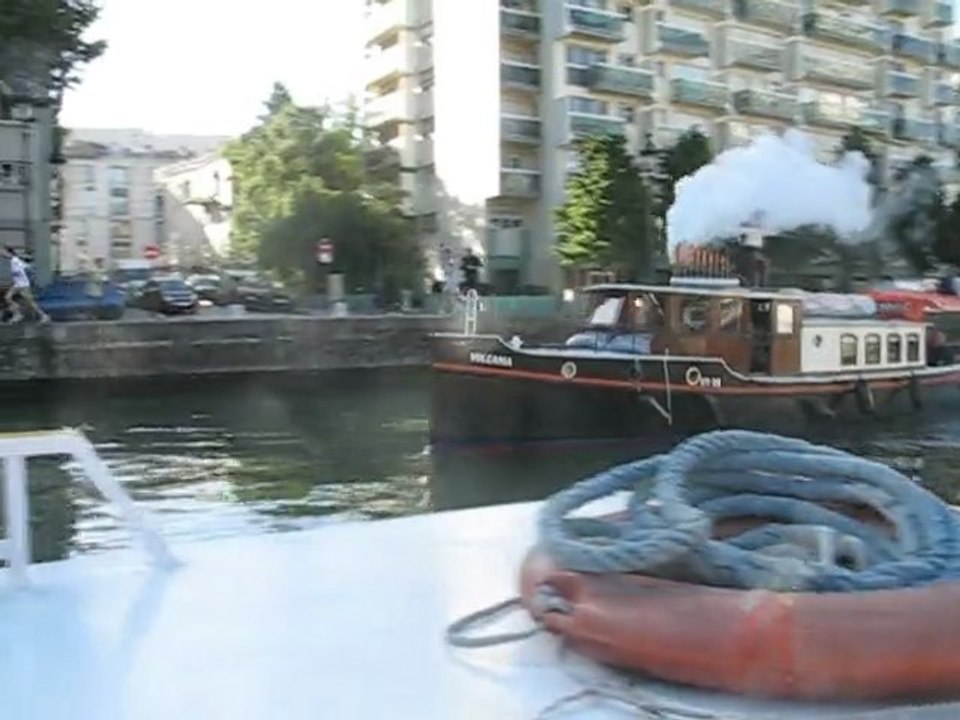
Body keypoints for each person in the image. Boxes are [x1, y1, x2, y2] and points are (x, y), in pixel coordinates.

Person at [3, 246, 49, 323]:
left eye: (4, 253)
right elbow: (22, 269)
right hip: (17, 284)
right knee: (7, 297)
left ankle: (44, 315)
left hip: (23, 285)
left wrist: (32, 268)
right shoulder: (12, 261)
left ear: (9, 253)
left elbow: (25, 266)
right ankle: (18, 313)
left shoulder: (15, 260)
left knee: (30, 302)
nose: (3, 255)